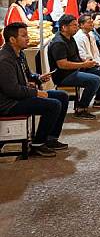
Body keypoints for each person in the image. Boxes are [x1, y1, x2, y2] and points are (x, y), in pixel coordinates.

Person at [0, 22, 69, 157]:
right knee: (53, 105)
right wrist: (36, 92)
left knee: (62, 96)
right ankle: (38, 144)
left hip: (20, 96)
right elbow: (12, 90)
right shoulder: (5, 60)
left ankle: (51, 138)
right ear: (12, 39)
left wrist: (37, 78)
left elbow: (27, 75)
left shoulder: (20, 54)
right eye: (24, 35)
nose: (28, 38)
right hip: (9, 104)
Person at [48, 14, 100, 120]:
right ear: (64, 27)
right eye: (73, 25)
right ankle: (81, 108)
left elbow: (77, 57)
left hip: (75, 69)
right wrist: (83, 65)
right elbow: (62, 64)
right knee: (95, 80)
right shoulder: (58, 42)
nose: (76, 27)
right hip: (64, 75)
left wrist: (88, 63)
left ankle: (99, 100)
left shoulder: (70, 38)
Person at [73, 14, 100, 95]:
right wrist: (98, 64)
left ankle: (99, 99)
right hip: (83, 65)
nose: (92, 24)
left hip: (94, 62)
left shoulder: (91, 35)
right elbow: (83, 56)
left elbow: (96, 53)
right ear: (81, 25)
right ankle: (88, 102)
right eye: (89, 22)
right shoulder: (78, 37)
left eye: (92, 22)